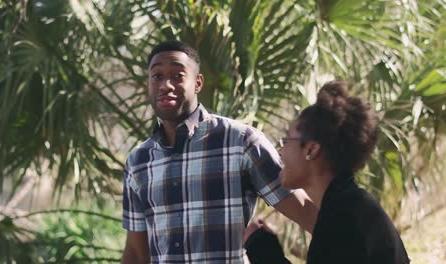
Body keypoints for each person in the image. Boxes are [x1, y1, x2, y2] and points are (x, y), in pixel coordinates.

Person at [121, 40, 318, 263]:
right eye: (157, 76)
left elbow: (309, 214)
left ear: (197, 83)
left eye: (177, 75)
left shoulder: (241, 141)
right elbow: (136, 253)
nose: (165, 84)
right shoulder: (138, 161)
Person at [244, 81, 410, 264]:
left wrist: (262, 250)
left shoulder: (343, 221)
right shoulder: (351, 207)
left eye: (286, 140)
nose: (280, 151)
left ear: (311, 149)